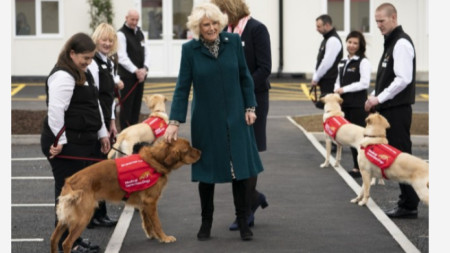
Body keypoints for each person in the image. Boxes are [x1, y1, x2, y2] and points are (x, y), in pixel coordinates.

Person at [163, 2, 264, 241]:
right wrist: (174, 121)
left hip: (236, 117)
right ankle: (205, 222)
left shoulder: (232, 44)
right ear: (198, 28)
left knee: (239, 171)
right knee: (207, 173)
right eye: (206, 25)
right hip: (206, 120)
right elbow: (182, 87)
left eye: (215, 23)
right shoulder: (190, 50)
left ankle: (243, 221)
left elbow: (245, 77)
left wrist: (250, 107)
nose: (211, 28)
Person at [40, 32, 109, 253]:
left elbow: (94, 105)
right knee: (69, 197)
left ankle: (74, 239)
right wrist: (60, 141)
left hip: (82, 141)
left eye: (91, 58)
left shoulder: (82, 73)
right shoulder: (63, 76)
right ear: (72, 53)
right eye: (85, 58)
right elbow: (55, 111)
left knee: (78, 195)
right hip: (65, 145)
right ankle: (65, 243)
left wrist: (103, 134)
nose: (88, 63)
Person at [210, 0, 270, 231]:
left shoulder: (257, 29)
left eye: (220, 11)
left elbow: (264, 68)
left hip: (254, 99)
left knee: (248, 154)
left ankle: (245, 211)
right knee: (234, 154)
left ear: (231, 9)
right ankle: (253, 198)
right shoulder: (225, 32)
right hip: (230, 102)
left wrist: (241, 88)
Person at [364, 3, 419, 219]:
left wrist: (379, 97)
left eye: (382, 21)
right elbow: (388, 77)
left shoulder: (401, 43)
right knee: (398, 157)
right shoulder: (391, 42)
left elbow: (403, 79)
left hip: (397, 110)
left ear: (393, 18)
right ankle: (407, 202)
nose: (378, 25)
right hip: (389, 109)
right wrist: (374, 94)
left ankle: (409, 204)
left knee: (402, 157)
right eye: (376, 21)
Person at [87, 22, 123, 229]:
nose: (107, 43)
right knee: (95, 169)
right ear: (96, 39)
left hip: (105, 121)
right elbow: (96, 98)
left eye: (111, 40)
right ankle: (92, 215)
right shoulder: (92, 63)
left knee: (101, 168)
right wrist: (103, 127)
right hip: (95, 124)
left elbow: (109, 97)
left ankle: (101, 214)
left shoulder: (108, 63)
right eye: (104, 39)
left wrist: (112, 123)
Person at [333, 31, 370, 178]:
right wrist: (336, 91)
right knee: (350, 137)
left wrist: (344, 89)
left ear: (360, 45)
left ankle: (360, 167)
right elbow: (338, 80)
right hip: (345, 105)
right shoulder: (342, 61)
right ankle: (357, 166)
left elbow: (364, 83)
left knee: (359, 138)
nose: (352, 45)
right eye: (350, 42)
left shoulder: (363, 62)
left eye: (355, 43)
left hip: (357, 105)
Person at [117, 9, 151, 130]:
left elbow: (147, 52)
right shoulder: (121, 34)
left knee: (136, 107)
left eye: (137, 20)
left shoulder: (140, 33)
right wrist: (136, 71)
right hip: (128, 77)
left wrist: (145, 69)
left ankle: (134, 136)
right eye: (132, 19)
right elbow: (122, 56)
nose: (135, 22)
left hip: (140, 77)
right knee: (127, 108)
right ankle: (125, 135)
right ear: (126, 18)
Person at [312, 14, 343, 109]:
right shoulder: (327, 39)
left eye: (319, 26)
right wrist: (316, 76)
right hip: (326, 80)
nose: (317, 29)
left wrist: (316, 78)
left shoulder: (333, 40)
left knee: (331, 109)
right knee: (327, 109)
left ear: (327, 25)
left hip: (330, 81)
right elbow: (320, 60)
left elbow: (327, 63)